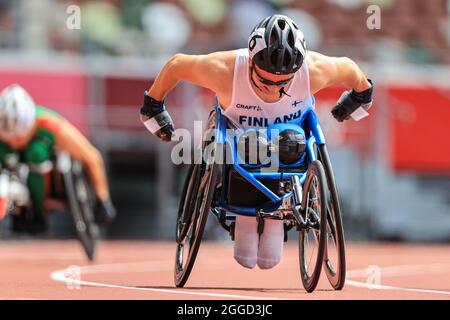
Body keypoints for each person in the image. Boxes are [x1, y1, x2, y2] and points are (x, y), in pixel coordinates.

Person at [140, 14, 373, 269]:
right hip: (242, 147)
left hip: (288, 150)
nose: (274, 89)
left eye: (284, 83)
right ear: (251, 61)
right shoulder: (225, 69)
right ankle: (244, 213)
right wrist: (153, 106)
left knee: (268, 259)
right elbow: (176, 65)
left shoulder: (314, 70)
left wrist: (357, 101)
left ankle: (275, 215)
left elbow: (353, 72)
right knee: (247, 255)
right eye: (265, 80)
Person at [0, 84, 116, 233]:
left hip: (42, 160)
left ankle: (39, 211)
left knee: (36, 152)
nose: (15, 142)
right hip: (9, 160)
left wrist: (103, 198)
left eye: (19, 136)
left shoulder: (50, 124)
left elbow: (91, 156)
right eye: (9, 137)